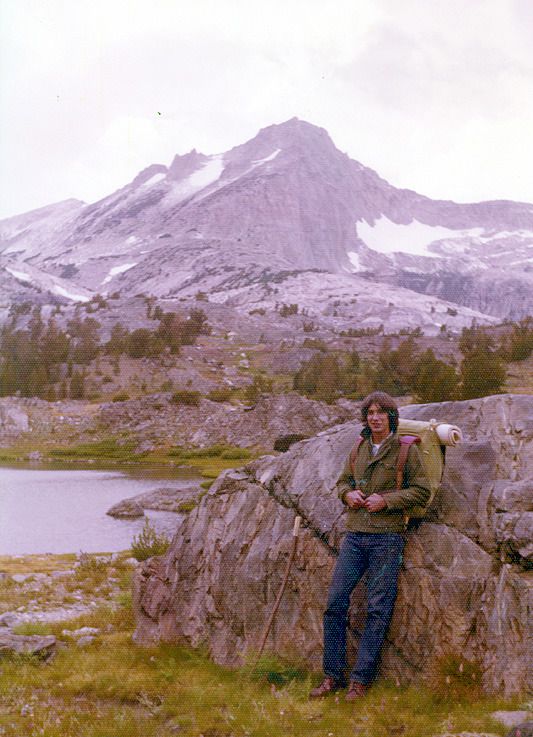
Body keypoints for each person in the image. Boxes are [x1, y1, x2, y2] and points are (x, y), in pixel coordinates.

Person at [310, 391, 431, 702]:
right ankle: (332, 676)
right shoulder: (359, 447)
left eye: (381, 412)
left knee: (378, 610)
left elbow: (422, 491)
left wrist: (387, 500)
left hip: (387, 539)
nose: (375, 417)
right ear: (365, 417)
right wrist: (347, 495)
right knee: (335, 604)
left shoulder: (406, 450)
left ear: (391, 416)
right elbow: (342, 482)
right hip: (354, 536)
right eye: (371, 412)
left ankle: (360, 681)